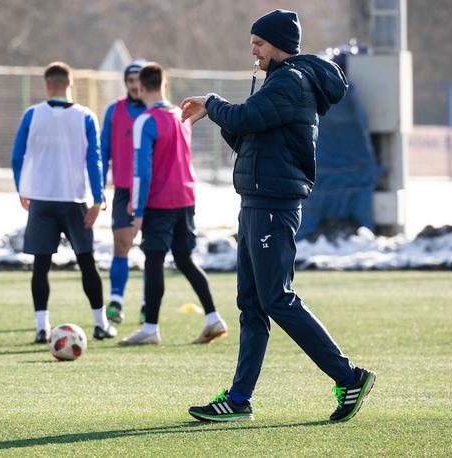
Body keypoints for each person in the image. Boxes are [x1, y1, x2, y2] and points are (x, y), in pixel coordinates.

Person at [181, 9, 375, 422]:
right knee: (252, 305)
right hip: (255, 203)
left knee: (276, 299)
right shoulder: (278, 83)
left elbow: (246, 117)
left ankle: (349, 375)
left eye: (259, 43)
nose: (253, 49)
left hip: (273, 207)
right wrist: (220, 116)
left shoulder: (291, 81)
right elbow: (249, 133)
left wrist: (212, 103)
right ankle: (238, 400)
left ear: (280, 45)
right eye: (252, 42)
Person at [118, 62, 227, 346]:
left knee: (154, 260)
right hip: (186, 199)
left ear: (140, 88)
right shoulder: (180, 118)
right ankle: (213, 317)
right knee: (184, 259)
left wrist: (138, 211)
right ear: (165, 86)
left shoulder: (146, 121)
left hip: (160, 202)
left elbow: (142, 170)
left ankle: (151, 327)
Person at [11, 61, 117, 344]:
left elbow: (16, 156)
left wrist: (22, 188)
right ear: (71, 85)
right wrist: (98, 200)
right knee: (86, 262)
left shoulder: (32, 114)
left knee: (40, 265)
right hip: (75, 200)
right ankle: (101, 324)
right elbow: (94, 160)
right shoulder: (85, 116)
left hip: (41, 200)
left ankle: (41, 327)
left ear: (47, 85)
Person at [100, 59, 148, 325]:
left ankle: (147, 304)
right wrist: (98, 188)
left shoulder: (156, 111)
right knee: (121, 244)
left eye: (138, 80)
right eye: (130, 81)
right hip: (123, 190)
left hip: (152, 190)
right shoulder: (114, 111)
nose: (134, 86)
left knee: (152, 249)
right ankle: (116, 301)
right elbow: (103, 150)